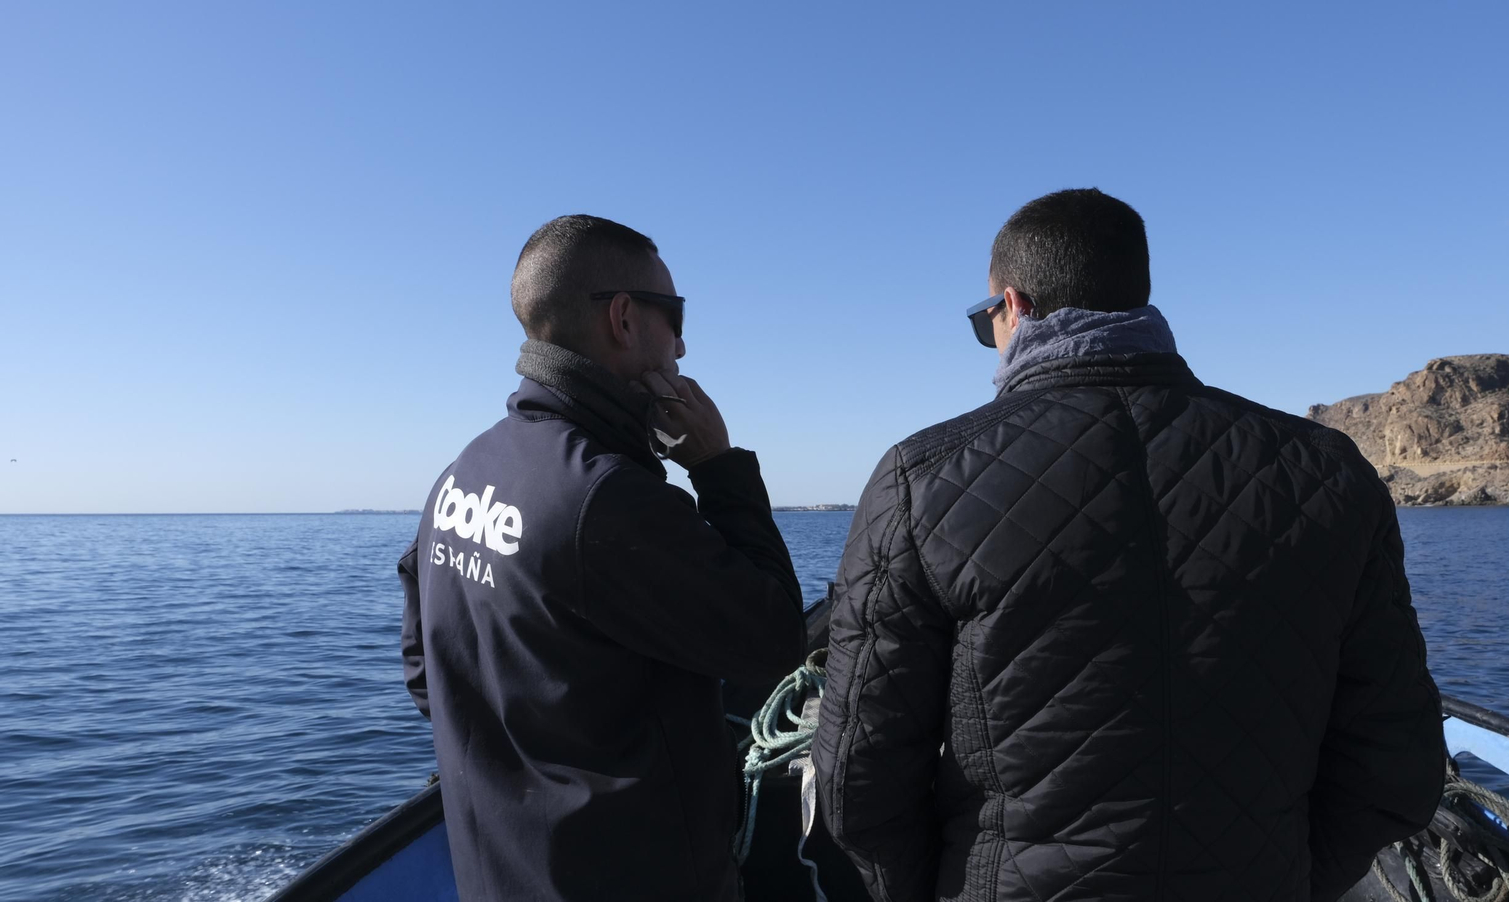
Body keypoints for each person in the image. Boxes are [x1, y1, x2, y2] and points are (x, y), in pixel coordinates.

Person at [813, 189, 1445, 902]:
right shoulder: (1328, 471)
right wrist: (1292, 877)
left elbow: (857, 781)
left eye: (983, 321)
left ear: (1013, 308)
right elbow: (1400, 761)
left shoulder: (920, 480)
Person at [399, 214, 806, 902]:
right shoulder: (607, 498)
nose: (682, 342)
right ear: (623, 318)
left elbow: (423, 669)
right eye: (673, 316)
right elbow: (774, 640)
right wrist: (718, 468)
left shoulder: (462, 474)